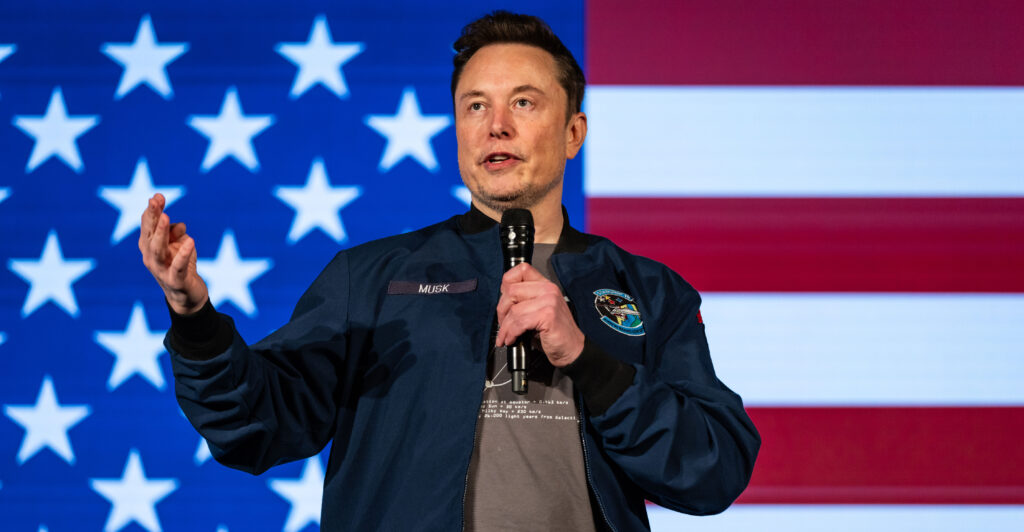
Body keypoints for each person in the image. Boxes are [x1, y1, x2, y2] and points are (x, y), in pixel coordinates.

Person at [139, 11, 759, 531]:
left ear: (573, 132)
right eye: (475, 106)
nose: (497, 125)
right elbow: (255, 425)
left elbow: (713, 471)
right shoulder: (372, 278)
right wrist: (195, 319)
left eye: (524, 102)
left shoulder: (646, 291)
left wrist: (589, 361)